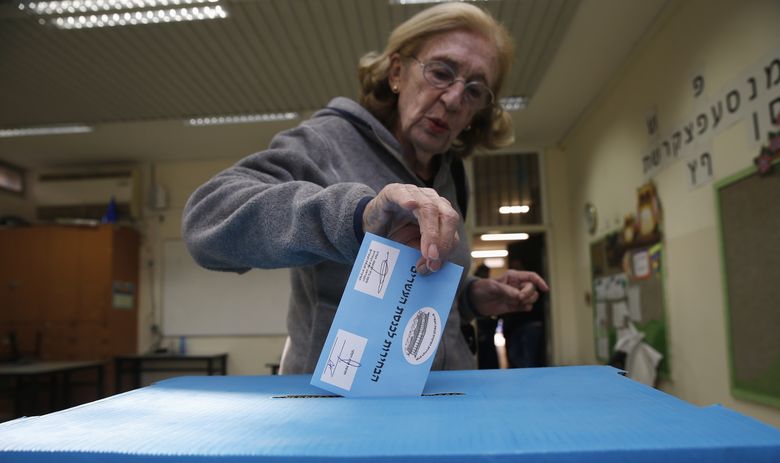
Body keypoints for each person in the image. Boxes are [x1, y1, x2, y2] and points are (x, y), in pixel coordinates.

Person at [182, 2, 549, 374]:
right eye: (440, 72)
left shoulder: (450, 173)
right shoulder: (327, 142)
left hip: (443, 404)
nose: (454, 99)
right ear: (396, 73)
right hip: (337, 412)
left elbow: (412, 283)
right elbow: (206, 222)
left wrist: (468, 297)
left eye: (474, 90)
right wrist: (357, 217)